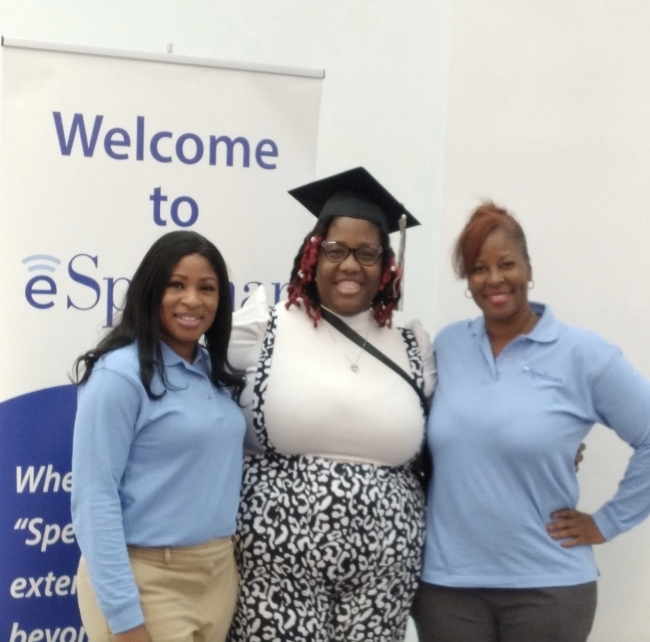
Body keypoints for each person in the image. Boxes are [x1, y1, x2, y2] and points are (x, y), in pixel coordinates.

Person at [412, 202, 650, 642]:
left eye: (507, 264)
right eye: (479, 268)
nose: (495, 279)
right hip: (449, 587)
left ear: (529, 268)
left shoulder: (583, 355)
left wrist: (607, 522)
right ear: (468, 280)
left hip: (549, 588)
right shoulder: (448, 346)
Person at [226, 167, 436, 642]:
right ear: (312, 255)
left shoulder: (412, 344)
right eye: (336, 250)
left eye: (367, 253)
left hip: (383, 575)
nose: (350, 266)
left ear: (387, 266)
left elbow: (458, 425)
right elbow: (182, 374)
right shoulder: (264, 327)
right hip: (276, 569)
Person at [71, 231, 246, 642]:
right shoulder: (119, 375)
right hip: (147, 578)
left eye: (207, 288)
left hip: (217, 576)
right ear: (151, 291)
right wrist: (123, 616)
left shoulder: (213, 372)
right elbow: (94, 497)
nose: (192, 300)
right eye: (176, 285)